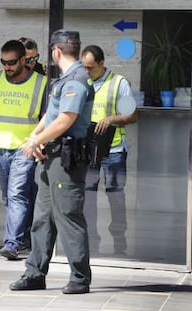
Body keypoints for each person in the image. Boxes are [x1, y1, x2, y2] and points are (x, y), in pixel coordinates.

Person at [10, 30, 94, 294]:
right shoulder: (63, 80)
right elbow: (50, 115)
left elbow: (66, 119)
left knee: (68, 216)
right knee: (43, 218)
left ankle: (80, 278)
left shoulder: (77, 79)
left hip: (66, 160)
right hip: (52, 157)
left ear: (56, 51)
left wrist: (35, 142)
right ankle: (35, 273)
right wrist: (36, 135)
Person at [0, 40, 47, 260]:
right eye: (3, 62)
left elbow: (47, 116)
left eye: (11, 63)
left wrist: (35, 140)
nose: (6, 67)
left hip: (24, 148)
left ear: (23, 60)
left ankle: (12, 243)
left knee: (17, 195)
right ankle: (23, 237)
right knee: (10, 197)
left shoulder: (40, 83)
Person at [81, 45, 138, 255]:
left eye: (91, 68)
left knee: (116, 197)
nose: (87, 72)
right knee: (88, 197)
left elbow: (132, 116)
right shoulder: (81, 82)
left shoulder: (118, 83)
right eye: (84, 67)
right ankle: (91, 243)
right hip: (88, 151)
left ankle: (119, 242)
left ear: (102, 63)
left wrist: (112, 119)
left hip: (113, 151)